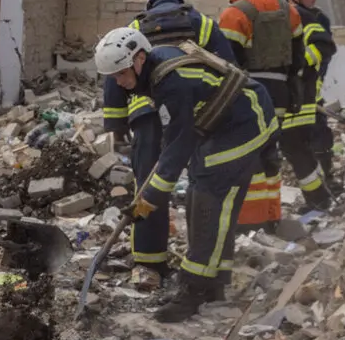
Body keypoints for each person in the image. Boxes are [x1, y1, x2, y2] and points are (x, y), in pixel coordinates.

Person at [95, 25, 277, 323]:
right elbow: (176, 135)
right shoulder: (155, 71)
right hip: (226, 121)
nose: (120, 82)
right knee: (200, 191)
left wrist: (148, 198)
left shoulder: (170, 81)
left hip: (245, 123)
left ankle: (194, 290)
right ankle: (215, 284)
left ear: (139, 58)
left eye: (122, 74)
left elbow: (178, 145)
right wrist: (151, 192)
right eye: (114, 77)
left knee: (208, 199)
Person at [103, 0, 235, 290]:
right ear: (180, 3)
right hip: (196, 115)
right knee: (203, 185)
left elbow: (114, 79)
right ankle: (201, 263)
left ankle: (149, 264)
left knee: (149, 186)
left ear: (150, 5)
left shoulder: (134, 28)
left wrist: (117, 126)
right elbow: (228, 66)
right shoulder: (201, 23)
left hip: (145, 114)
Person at [211, 0, 298, 229]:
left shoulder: (235, 13)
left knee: (246, 155)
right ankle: (271, 216)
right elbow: (299, 56)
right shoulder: (288, 8)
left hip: (249, 93)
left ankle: (249, 223)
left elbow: (227, 64)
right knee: (270, 152)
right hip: (281, 91)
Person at [278, 0, 340, 210]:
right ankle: (322, 194)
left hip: (303, 92)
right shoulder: (290, 14)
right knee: (299, 145)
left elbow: (324, 48)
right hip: (298, 93)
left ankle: (323, 192)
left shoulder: (309, 17)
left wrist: (298, 63)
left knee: (305, 143)